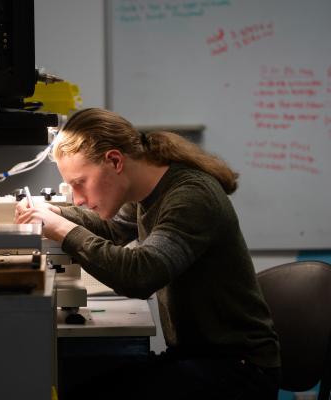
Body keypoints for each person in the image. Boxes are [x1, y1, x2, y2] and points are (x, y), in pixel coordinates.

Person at [15, 108, 280, 399]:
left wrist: (62, 229)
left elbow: (140, 275)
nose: (78, 198)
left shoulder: (191, 196)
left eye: (81, 183)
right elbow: (112, 228)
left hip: (238, 370)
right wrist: (54, 212)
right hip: (197, 357)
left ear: (115, 161)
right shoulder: (148, 192)